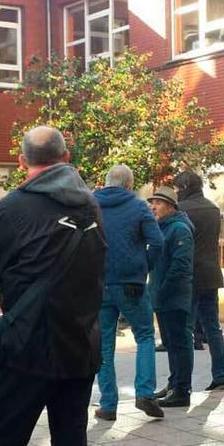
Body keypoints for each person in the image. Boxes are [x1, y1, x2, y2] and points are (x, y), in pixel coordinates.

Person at [0, 126, 105, 445]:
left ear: (22, 161)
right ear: (67, 158)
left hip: (26, 345)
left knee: (1, 437)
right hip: (80, 342)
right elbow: (98, 266)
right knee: (71, 436)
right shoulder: (91, 206)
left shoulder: (14, 206)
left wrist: (19, 283)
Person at [93, 165, 164, 421]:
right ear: (129, 185)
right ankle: (144, 392)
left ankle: (108, 404)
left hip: (99, 284)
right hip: (131, 283)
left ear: (106, 181)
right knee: (145, 336)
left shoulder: (91, 204)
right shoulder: (138, 207)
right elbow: (157, 242)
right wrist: (142, 267)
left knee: (104, 345)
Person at [175, 170, 224, 391]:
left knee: (185, 329)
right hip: (211, 274)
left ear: (185, 187)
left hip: (190, 276)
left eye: (178, 189)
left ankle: (182, 381)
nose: (176, 193)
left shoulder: (182, 210)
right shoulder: (213, 208)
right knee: (213, 328)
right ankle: (221, 375)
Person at [147, 186, 194, 408]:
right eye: (152, 202)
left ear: (170, 206)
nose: (153, 207)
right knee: (170, 343)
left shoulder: (179, 229)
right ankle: (174, 383)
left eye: (158, 202)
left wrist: (163, 290)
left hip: (175, 297)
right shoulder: (161, 228)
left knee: (180, 343)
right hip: (162, 296)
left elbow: (180, 266)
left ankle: (182, 390)